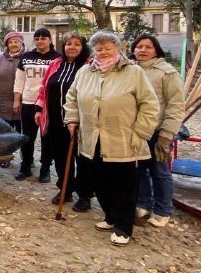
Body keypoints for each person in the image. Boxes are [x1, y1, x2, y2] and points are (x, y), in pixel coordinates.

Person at [64, 31, 159, 246]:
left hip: (123, 138)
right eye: (99, 49)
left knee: (123, 184)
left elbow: (150, 104)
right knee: (99, 181)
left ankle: (124, 226)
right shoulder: (85, 71)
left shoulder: (133, 72)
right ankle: (110, 216)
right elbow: (72, 97)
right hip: (92, 137)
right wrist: (72, 119)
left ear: (118, 50)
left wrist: (140, 132)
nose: (103, 52)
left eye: (108, 48)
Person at [34, 32, 92, 209]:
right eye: (68, 44)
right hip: (56, 120)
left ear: (83, 47)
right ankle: (65, 189)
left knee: (82, 159)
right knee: (60, 156)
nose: (72, 47)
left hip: (81, 122)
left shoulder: (90, 66)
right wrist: (38, 109)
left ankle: (85, 195)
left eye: (77, 44)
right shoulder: (55, 64)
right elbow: (44, 87)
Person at [132, 34, 185, 228]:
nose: (143, 50)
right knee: (139, 170)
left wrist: (167, 134)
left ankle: (163, 209)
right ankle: (143, 203)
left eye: (148, 47)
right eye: (139, 46)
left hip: (158, 130)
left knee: (159, 171)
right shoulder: (130, 69)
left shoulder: (166, 72)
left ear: (156, 50)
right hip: (136, 130)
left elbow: (176, 105)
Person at [13, 27, 59, 182]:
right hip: (28, 102)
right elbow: (19, 81)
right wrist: (16, 100)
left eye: (43, 38)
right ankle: (25, 166)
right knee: (27, 137)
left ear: (50, 40)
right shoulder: (26, 57)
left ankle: (45, 168)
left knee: (47, 138)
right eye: (37, 38)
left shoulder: (57, 58)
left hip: (49, 105)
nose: (40, 41)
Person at [0, 31, 25, 167]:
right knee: (4, 132)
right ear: (7, 44)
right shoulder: (0, 58)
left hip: (21, 103)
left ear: (21, 43)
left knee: (22, 133)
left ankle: (26, 159)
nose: (13, 44)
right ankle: (5, 157)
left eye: (16, 41)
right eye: (10, 42)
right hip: (1, 102)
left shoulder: (27, 58)